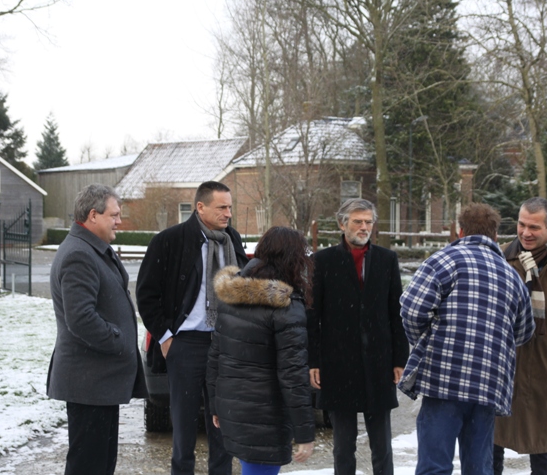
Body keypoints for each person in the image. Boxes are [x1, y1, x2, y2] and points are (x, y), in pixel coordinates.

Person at [399, 203, 534, 475]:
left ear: (460, 231)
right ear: (495, 235)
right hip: (488, 383)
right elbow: (524, 332)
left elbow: (411, 310)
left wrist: (426, 342)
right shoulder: (512, 275)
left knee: (434, 466)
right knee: (478, 468)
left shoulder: (442, 261)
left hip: (443, 379)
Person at [137, 181, 249, 475]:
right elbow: (147, 294)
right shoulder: (169, 241)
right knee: (184, 430)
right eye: (222, 207)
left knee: (222, 425)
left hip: (225, 345)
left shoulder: (232, 239)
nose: (228, 213)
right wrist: (165, 336)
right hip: (185, 345)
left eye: (230, 207)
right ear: (201, 207)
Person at [46, 184, 147, 475]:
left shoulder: (92, 249)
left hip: (99, 383)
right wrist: (119, 340)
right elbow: (80, 318)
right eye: (114, 215)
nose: (119, 221)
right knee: (88, 466)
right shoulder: (79, 254)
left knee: (100, 465)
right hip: (88, 383)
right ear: (93, 215)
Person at [307, 198, 409, 475]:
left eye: (368, 222)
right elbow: (312, 315)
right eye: (357, 222)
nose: (364, 227)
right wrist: (313, 360)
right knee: (343, 444)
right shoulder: (322, 261)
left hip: (379, 362)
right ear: (342, 224)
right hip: (338, 362)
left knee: (381, 444)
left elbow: (396, 311)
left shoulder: (387, 259)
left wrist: (400, 358)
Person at [207, 226, 316, 475]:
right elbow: (293, 375)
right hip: (266, 414)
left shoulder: (232, 296)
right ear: (293, 259)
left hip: (235, 407)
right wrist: (305, 432)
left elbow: (215, 356)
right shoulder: (286, 307)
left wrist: (216, 404)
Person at [493, 198, 547, 475]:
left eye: (534, 227)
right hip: (504, 373)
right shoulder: (500, 258)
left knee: (545, 454)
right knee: (491, 450)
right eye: (521, 224)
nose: (525, 232)